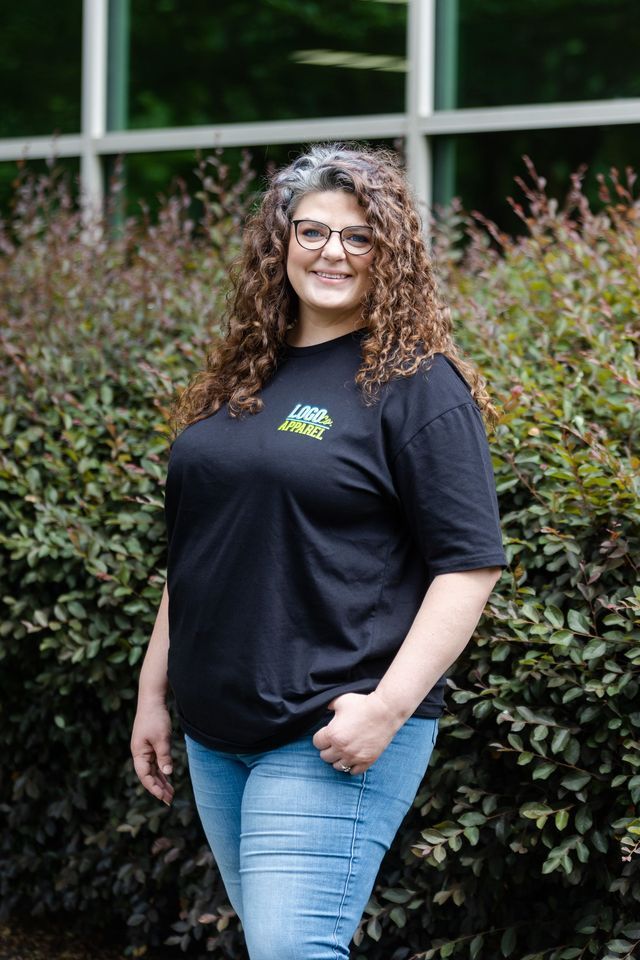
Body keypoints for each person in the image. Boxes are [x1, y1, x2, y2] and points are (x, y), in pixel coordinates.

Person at [130, 143, 506, 960]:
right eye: (312, 231)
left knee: (293, 948)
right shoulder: (247, 372)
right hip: (216, 731)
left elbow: (468, 564)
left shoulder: (416, 385)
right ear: (282, 241)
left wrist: (388, 709)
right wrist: (154, 686)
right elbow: (201, 541)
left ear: (390, 255)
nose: (332, 252)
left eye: (359, 237)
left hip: (328, 727)